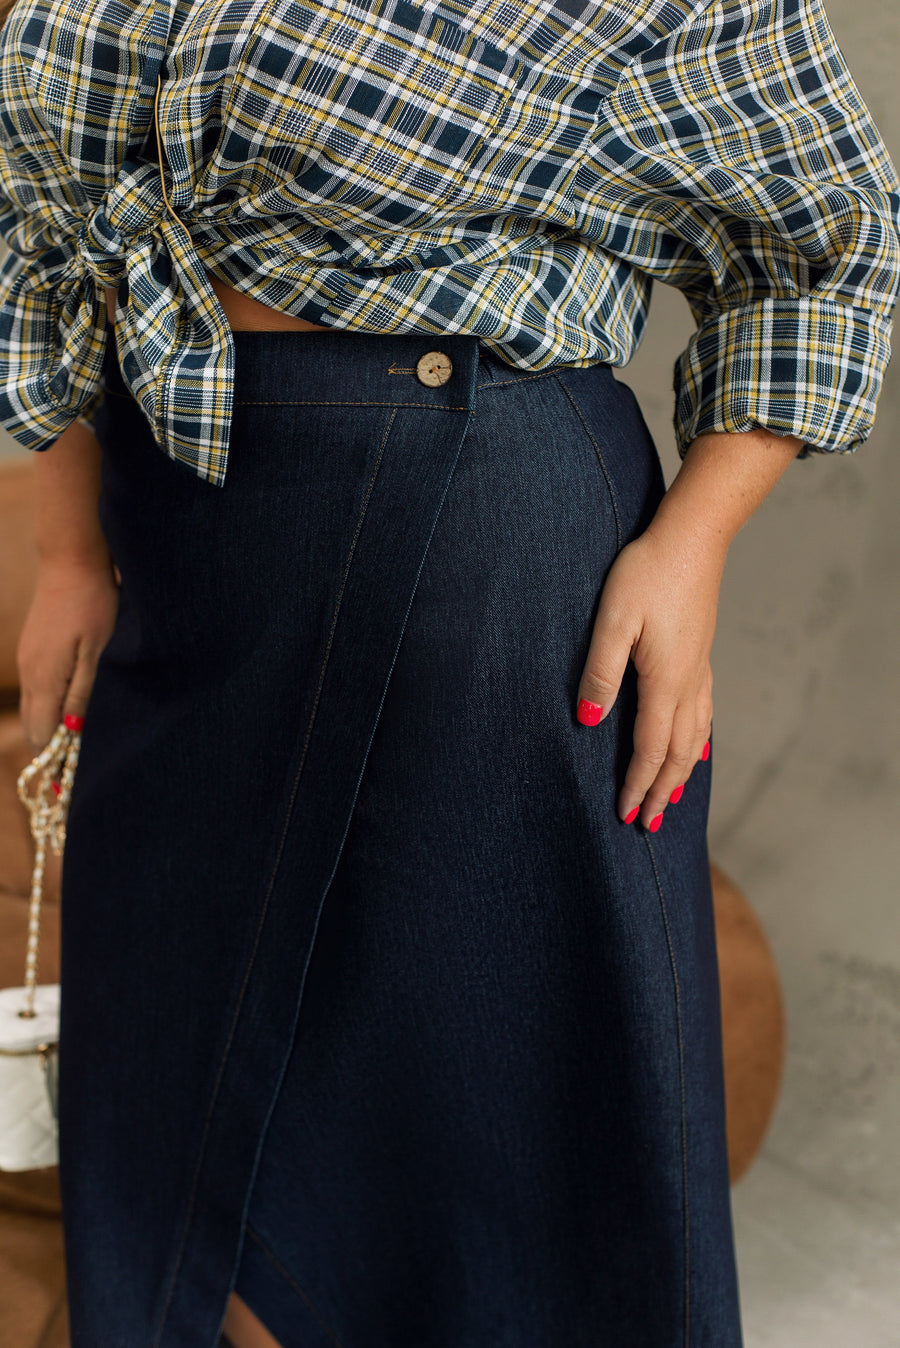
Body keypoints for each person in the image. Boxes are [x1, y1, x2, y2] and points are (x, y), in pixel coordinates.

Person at [2, 0, 898, 1344]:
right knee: (178, 1122)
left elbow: (827, 236)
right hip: (187, 558)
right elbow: (48, 231)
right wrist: (68, 543)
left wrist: (692, 548)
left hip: (485, 556)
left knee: (492, 1140)